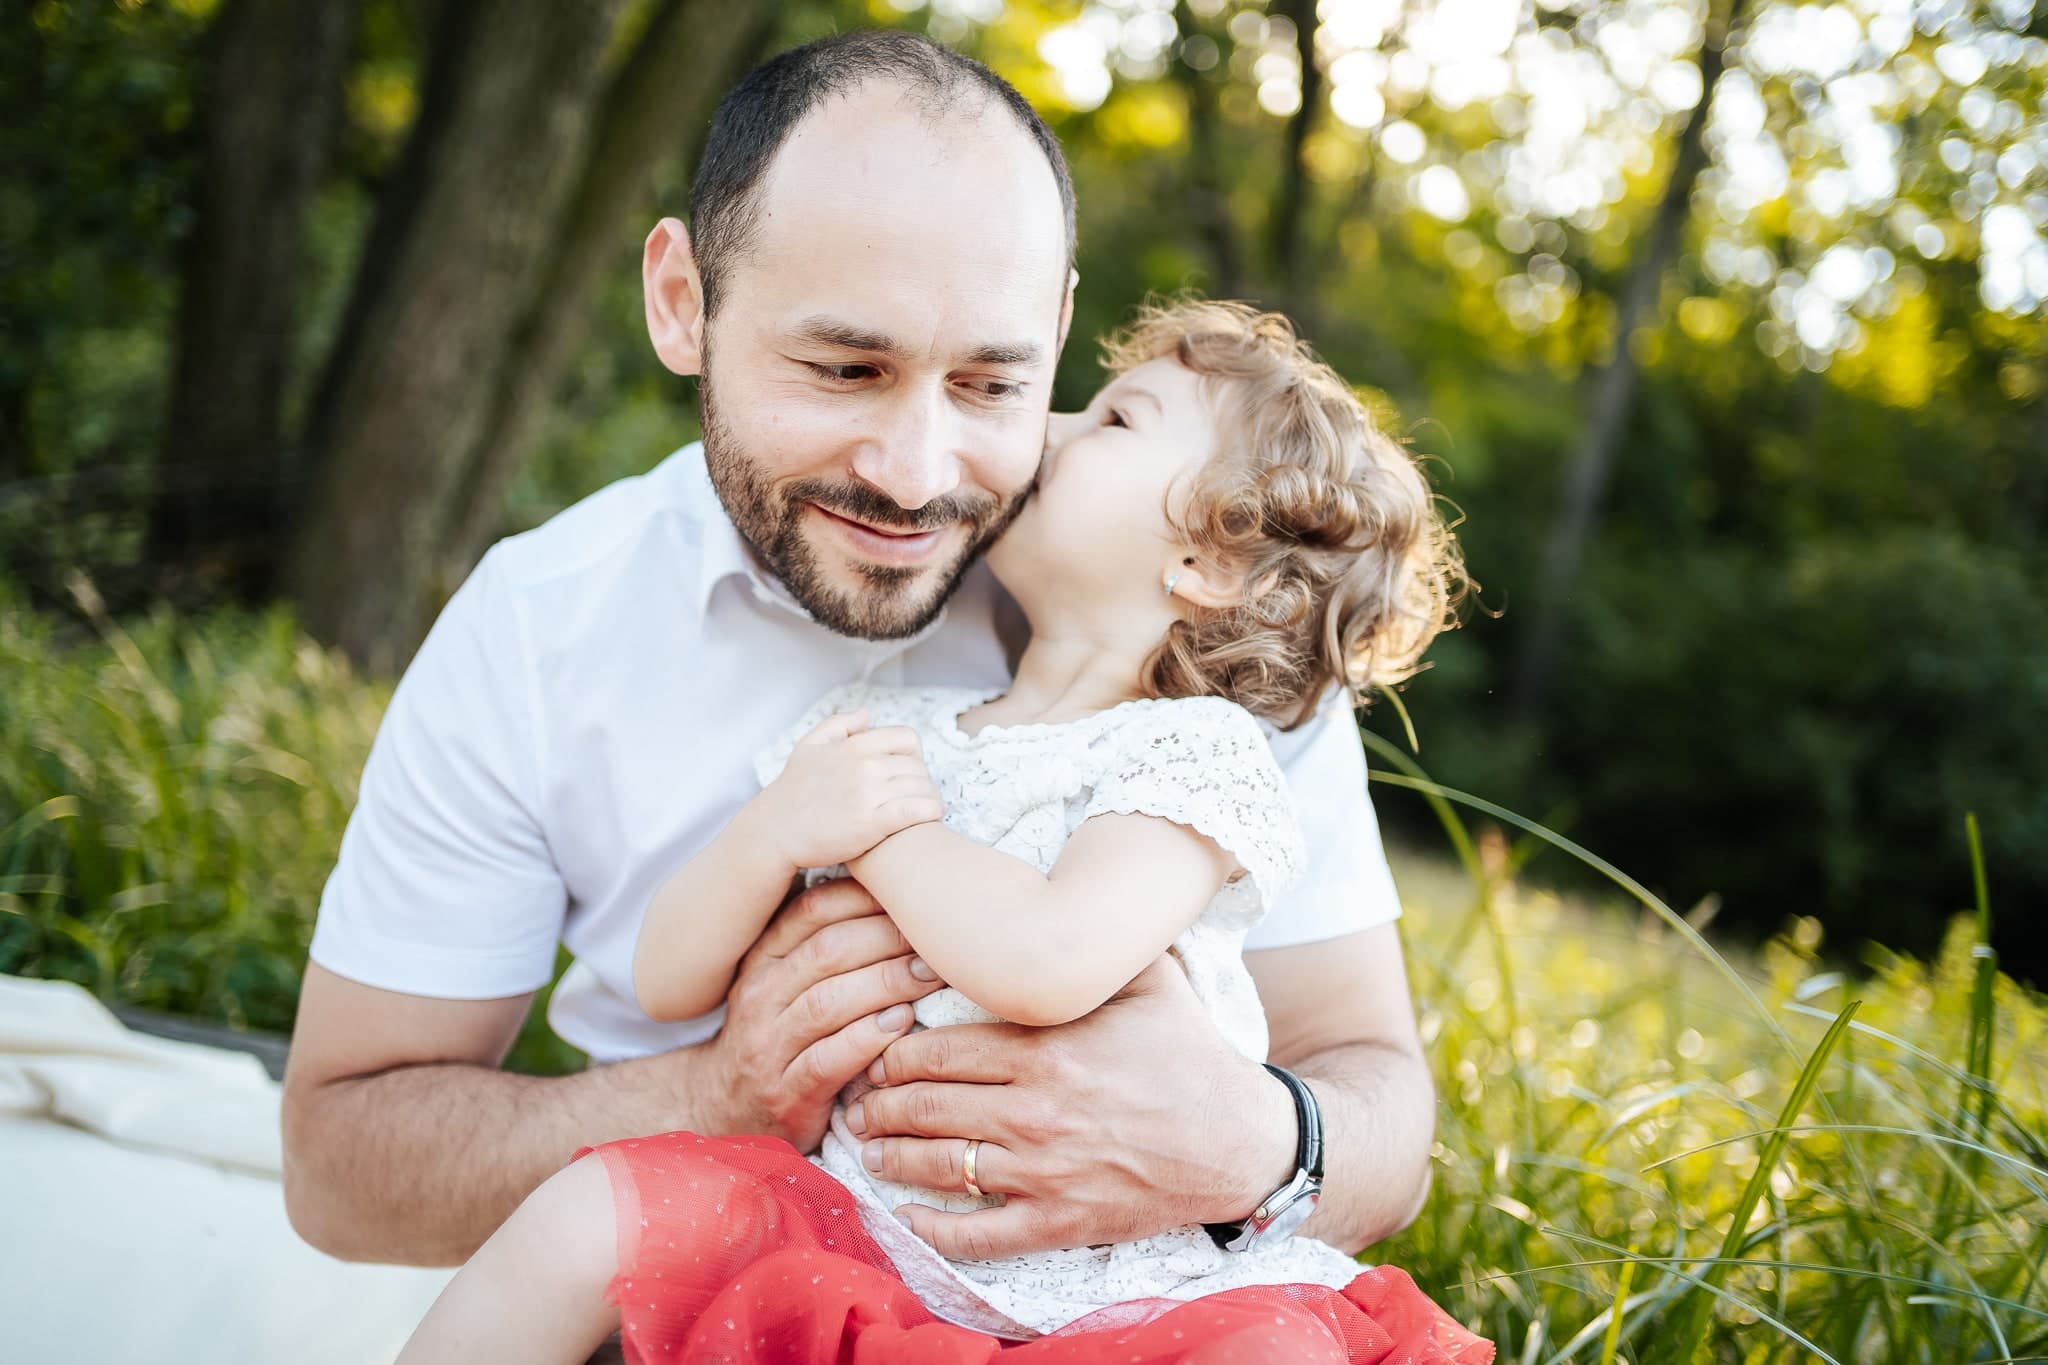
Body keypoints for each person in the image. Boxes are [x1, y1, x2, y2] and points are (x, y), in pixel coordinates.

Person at [281, 30, 1441, 1301]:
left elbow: (1379, 1104)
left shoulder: (1200, 647)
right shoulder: (543, 626)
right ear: (683, 303)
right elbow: (340, 1168)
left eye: (993, 382)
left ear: (1054, 330)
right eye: (845, 368)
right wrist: (717, 1094)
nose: (917, 472)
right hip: (736, 1276)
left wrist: (1247, 1141)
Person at [394, 298, 1486, 1363]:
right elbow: (666, 980)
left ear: (1205, 560)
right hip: (857, 1234)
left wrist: (873, 832)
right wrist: (774, 833)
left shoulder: (1189, 756)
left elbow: (1045, 963)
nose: (1040, 427)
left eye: (1112, 421)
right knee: (589, 1212)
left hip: (1110, 1296)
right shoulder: (887, 729)